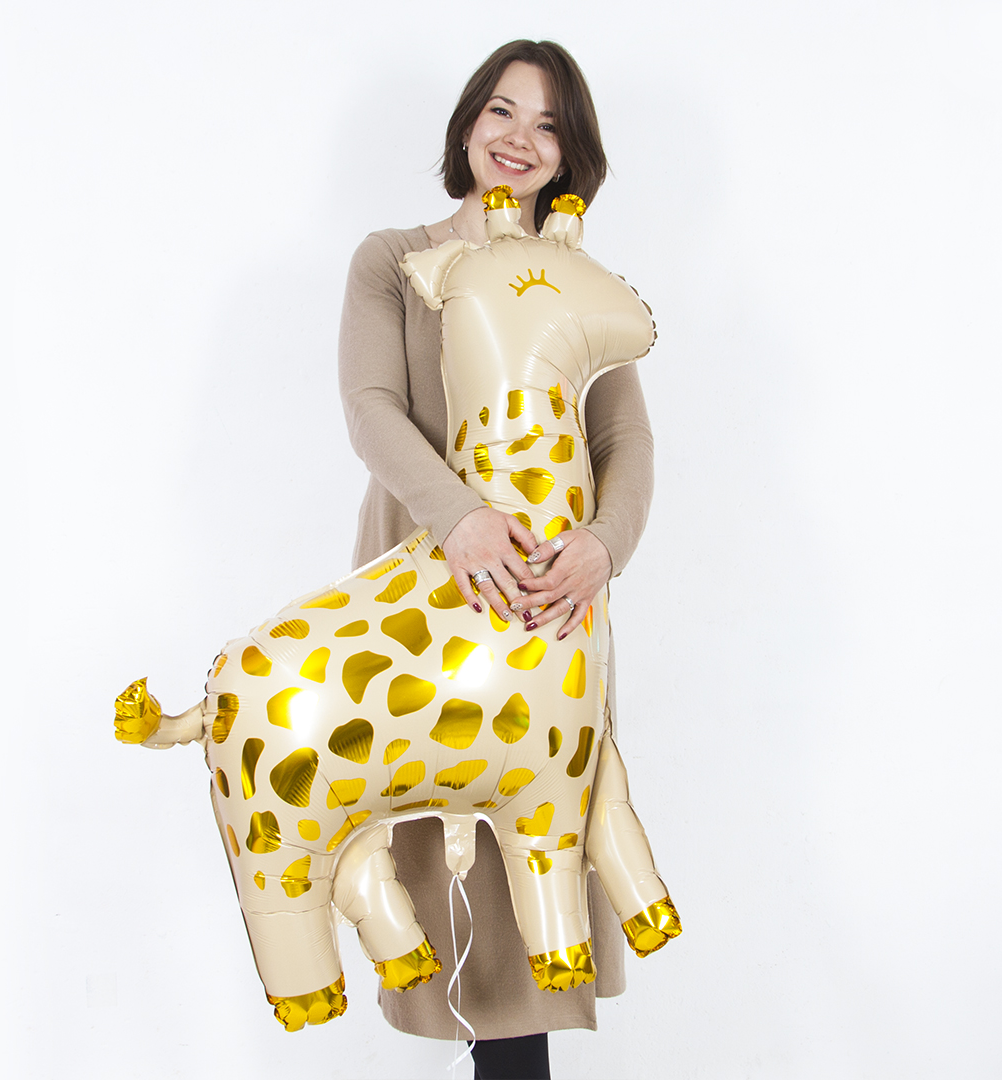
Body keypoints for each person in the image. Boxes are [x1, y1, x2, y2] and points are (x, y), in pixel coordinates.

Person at [338, 40, 655, 1080]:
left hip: (544, 604)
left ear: (571, 154)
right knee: (437, 879)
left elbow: (624, 439)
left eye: (550, 124)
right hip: (418, 596)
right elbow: (372, 409)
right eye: (503, 111)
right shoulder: (392, 258)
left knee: (528, 899)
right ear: (469, 125)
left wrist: (604, 546)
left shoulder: (571, 277)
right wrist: (459, 518)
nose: (521, 138)